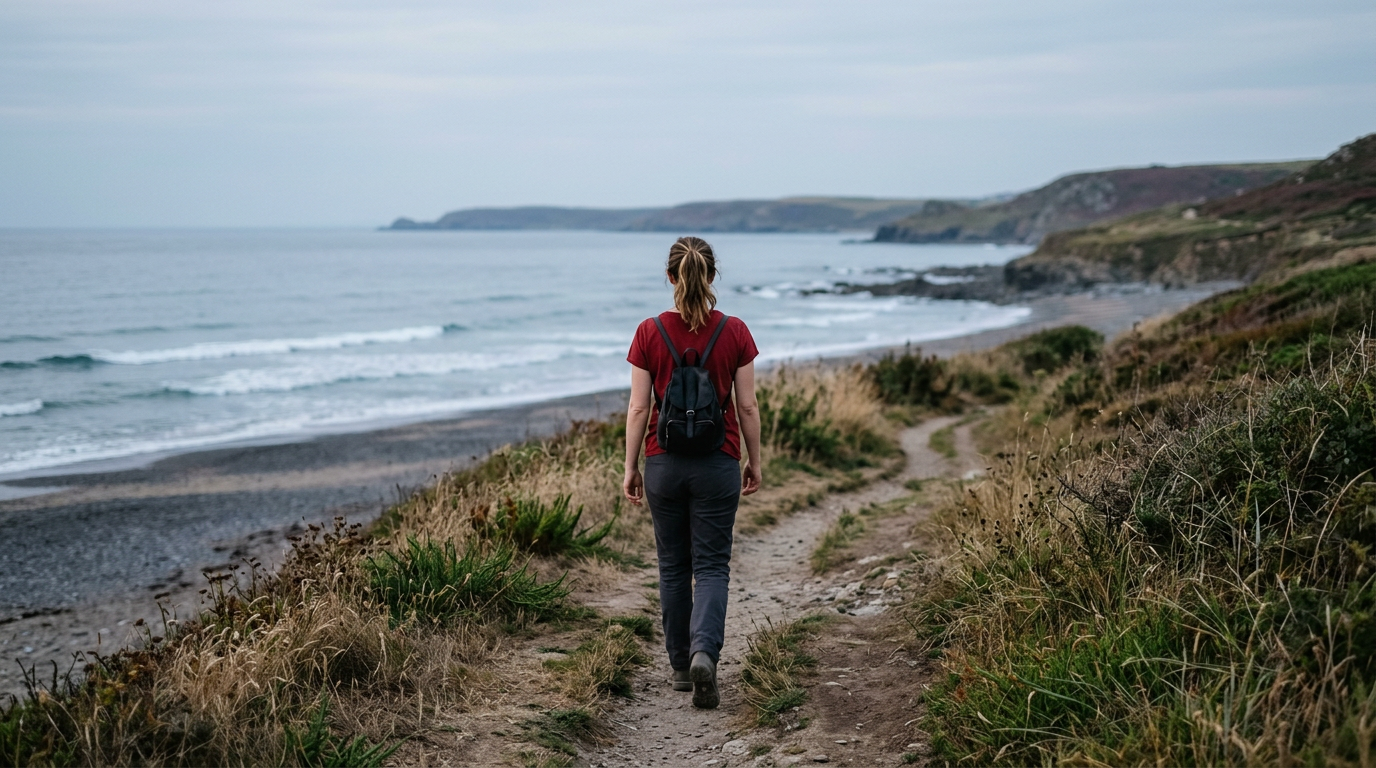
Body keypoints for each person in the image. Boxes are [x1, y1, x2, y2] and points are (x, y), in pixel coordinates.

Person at [623, 236, 762, 710]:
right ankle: (705, 653)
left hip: (663, 463)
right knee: (712, 566)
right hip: (718, 462)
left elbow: (639, 407)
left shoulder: (649, 332)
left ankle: (681, 667)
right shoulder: (734, 331)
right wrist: (754, 460)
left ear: (670, 276)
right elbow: (747, 405)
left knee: (673, 567)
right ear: (713, 275)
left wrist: (631, 466)